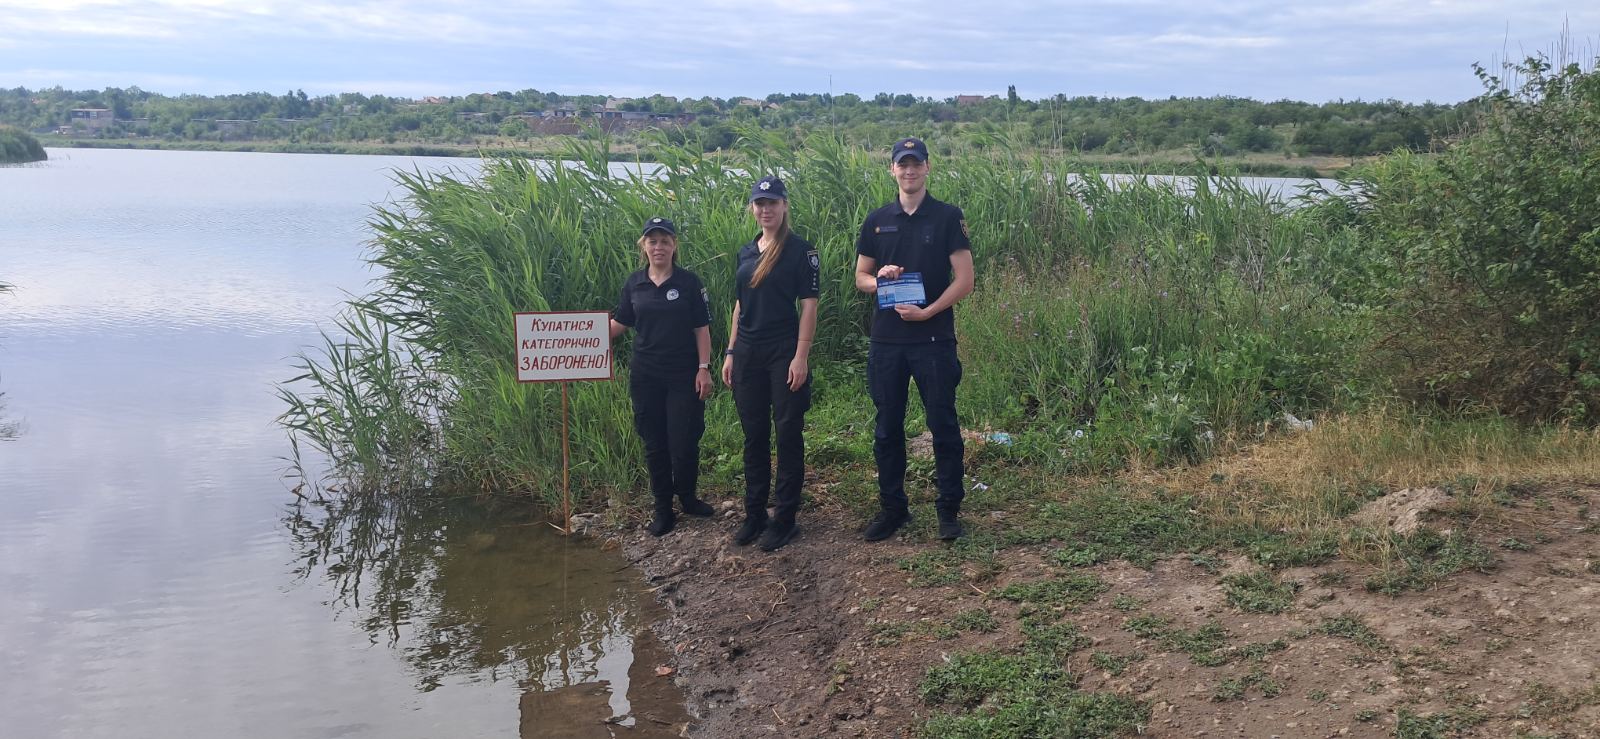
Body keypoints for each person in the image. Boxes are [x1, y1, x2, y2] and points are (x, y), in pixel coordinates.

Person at [853, 137, 976, 541]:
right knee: (887, 428)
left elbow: (965, 280)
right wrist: (878, 280)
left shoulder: (946, 217)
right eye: (902, 165)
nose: (909, 171)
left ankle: (948, 512)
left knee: (942, 424)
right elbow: (860, 277)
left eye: (916, 164)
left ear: (927, 168)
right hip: (886, 342)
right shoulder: (876, 220)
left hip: (933, 340)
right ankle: (893, 510)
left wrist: (929, 312)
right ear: (892, 170)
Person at [721, 175, 820, 552]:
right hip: (747, 352)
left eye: (772, 203)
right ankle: (754, 513)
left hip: (783, 351)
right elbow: (739, 306)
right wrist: (730, 351)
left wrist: (800, 356)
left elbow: (809, 305)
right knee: (754, 434)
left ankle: (786, 519)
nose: (766, 209)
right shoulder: (746, 251)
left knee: (788, 432)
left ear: (784, 206)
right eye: (760, 203)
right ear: (753, 208)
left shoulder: (800, 250)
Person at [610, 217, 716, 536]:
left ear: (674, 246)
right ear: (644, 246)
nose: (659, 247)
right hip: (646, 376)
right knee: (654, 443)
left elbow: (702, 329)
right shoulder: (634, 284)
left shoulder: (689, 283)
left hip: (684, 374)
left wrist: (703, 368)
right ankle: (662, 509)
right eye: (652, 241)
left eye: (665, 241)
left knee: (684, 440)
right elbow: (619, 324)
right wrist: (581, 338)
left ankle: (687, 497)